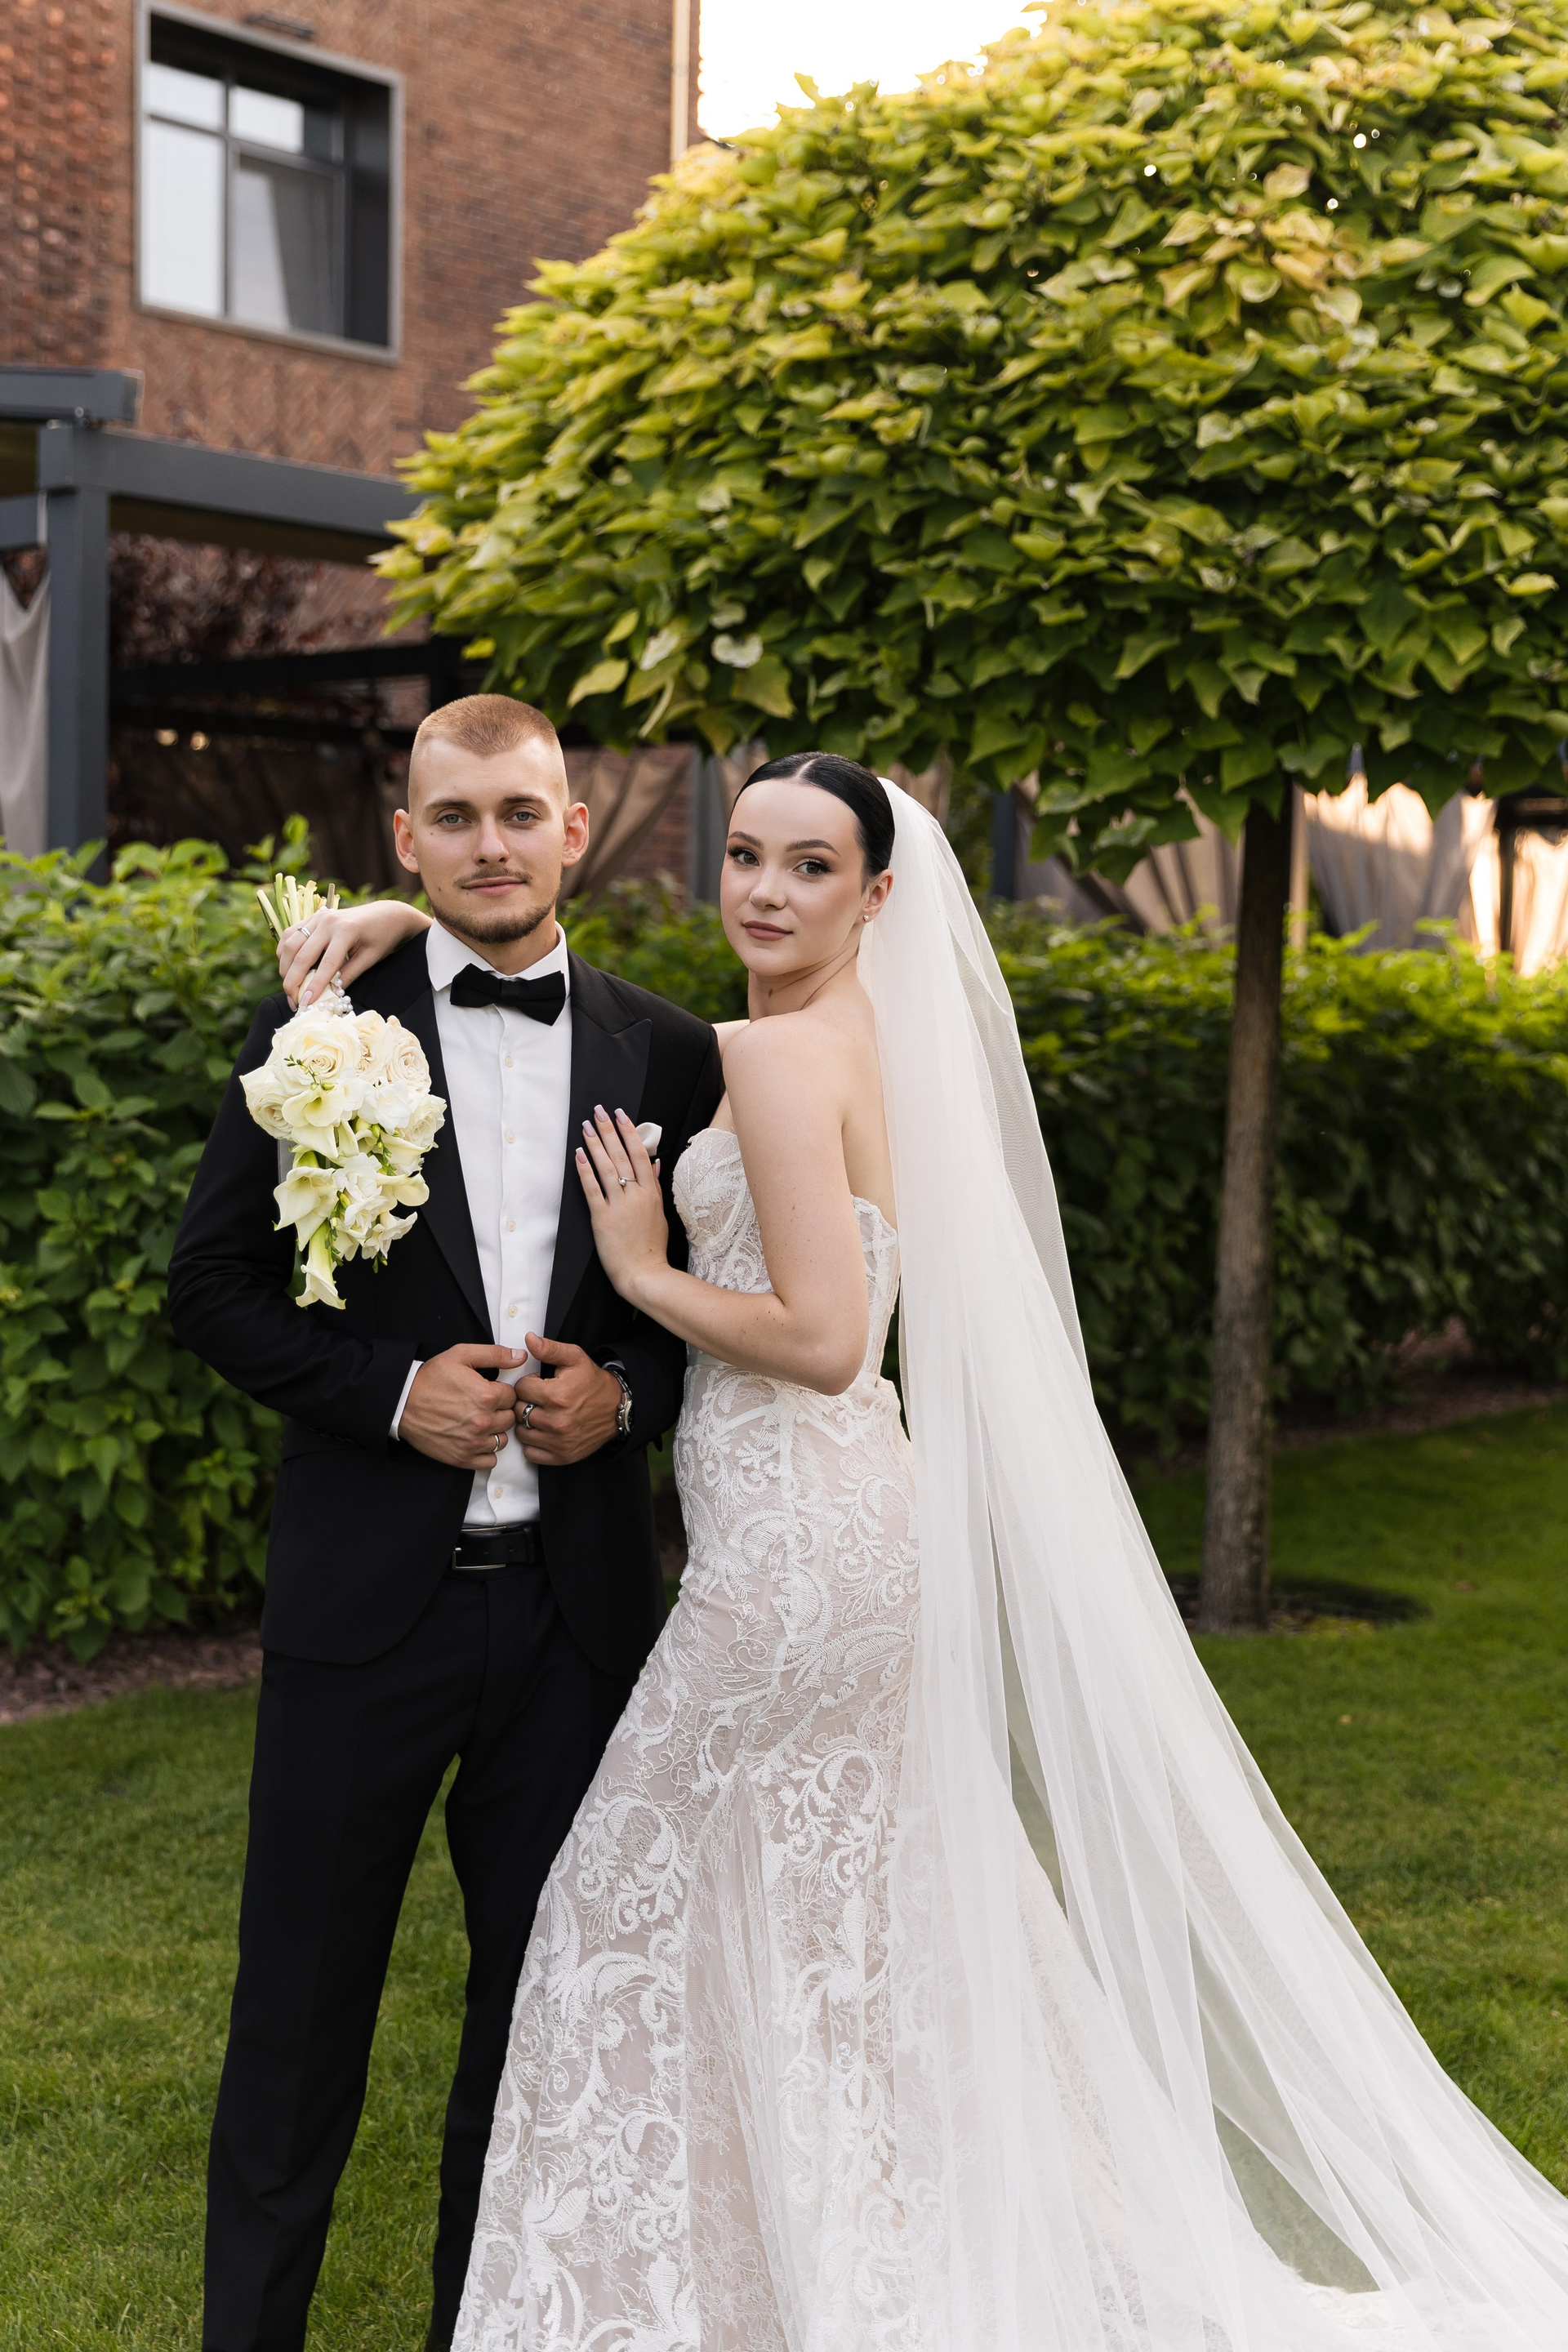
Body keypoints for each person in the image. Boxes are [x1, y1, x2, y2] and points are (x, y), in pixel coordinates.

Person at [288, 754, 1568, 2352]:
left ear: (879, 895)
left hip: (795, 1559)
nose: (765, 891)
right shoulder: (849, 1041)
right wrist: (420, 926)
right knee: (841, 1932)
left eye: (811, 866)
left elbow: (828, 1341)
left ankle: (653, 2305)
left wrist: (642, 1267)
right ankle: (817, 2270)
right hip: (848, 1537)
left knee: (616, 1907)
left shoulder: (776, 1057)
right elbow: (612, 1023)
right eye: (746, 854)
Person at [166, 694, 722, 2352]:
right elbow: (211, 1284)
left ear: (574, 831)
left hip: (578, 1619)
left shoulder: (672, 1053)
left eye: (522, 813)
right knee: (297, 2025)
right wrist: (393, 1394)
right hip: (364, 1614)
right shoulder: (321, 1027)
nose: (492, 845)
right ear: (406, 839)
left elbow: (715, 1314)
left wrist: (626, 1396)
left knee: (542, 2029)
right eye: (457, 817)